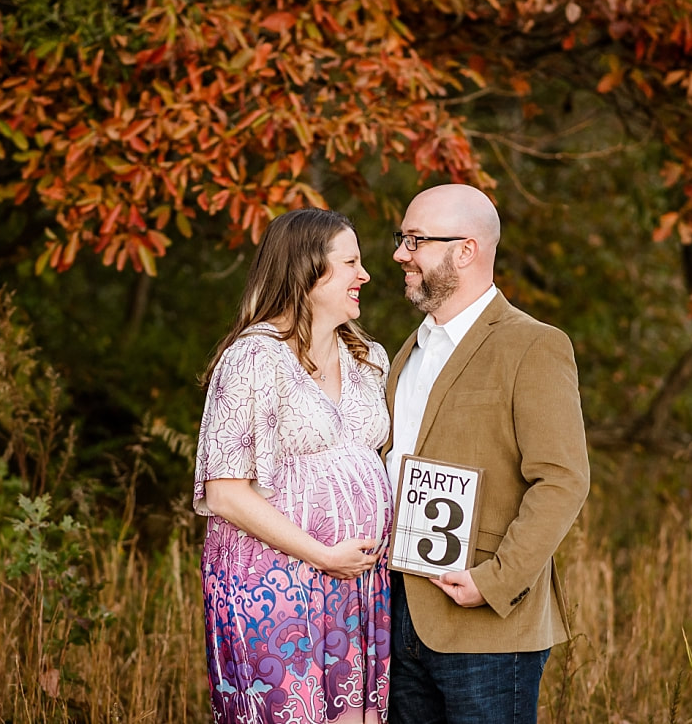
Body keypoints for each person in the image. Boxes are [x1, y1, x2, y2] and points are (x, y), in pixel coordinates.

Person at [383, 184, 590, 724]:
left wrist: (494, 581)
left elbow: (563, 480)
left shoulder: (533, 345)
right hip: (397, 618)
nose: (400, 254)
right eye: (403, 239)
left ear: (465, 249)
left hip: (488, 628)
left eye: (415, 240)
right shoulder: (408, 349)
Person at [193, 208, 393, 723]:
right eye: (350, 262)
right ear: (309, 272)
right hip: (276, 585)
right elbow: (225, 493)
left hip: (358, 582)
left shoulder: (369, 358)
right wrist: (324, 555)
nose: (364, 275)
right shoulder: (254, 359)